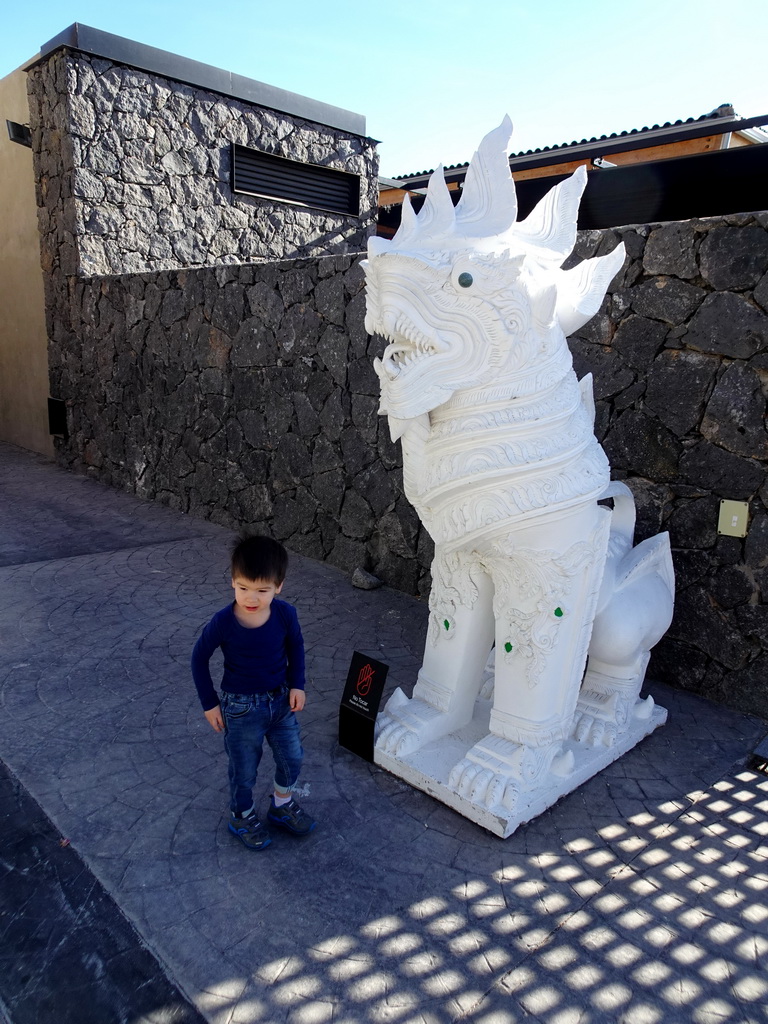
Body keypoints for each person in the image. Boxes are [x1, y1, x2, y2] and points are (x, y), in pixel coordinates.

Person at [192, 534, 316, 850]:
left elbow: (296, 646)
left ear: (279, 586)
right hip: (241, 708)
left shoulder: (286, 614)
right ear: (233, 581)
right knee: (244, 768)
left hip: (281, 701)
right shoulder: (223, 622)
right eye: (243, 588)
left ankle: (281, 804)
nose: (252, 597)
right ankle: (242, 814)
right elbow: (198, 657)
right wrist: (210, 703)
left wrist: (298, 683)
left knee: (292, 756)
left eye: (263, 590)